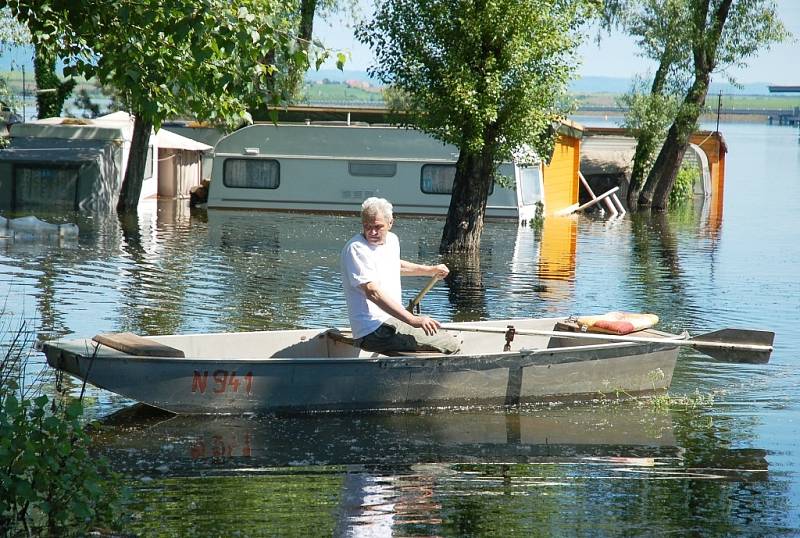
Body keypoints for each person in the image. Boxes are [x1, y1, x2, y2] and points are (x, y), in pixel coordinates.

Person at [341, 197, 461, 354]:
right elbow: (372, 292)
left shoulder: (392, 240)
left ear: (390, 223)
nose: (372, 232)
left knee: (439, 335)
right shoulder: (356, 249)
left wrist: (431, 270)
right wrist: (412, 320)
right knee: (451, 344)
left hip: (391, 321)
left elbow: (394, 265)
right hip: (372, 330)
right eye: (367, 227)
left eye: (378, 227)